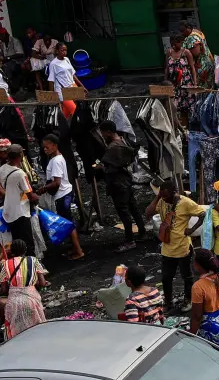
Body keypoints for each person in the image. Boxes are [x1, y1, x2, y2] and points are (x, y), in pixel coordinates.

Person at [146, 180, 207, 310]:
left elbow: (203, 214)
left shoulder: (186, 203)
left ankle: (188, 300)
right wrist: (158, 197)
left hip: (182, 248)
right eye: (163, 196)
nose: (165, 200)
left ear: (174, 193)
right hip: (167, 248)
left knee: (187, 276)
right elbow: (148, 213)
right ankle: (168, 301)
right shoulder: (162, 200)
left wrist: (191, 230)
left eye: (167, 197)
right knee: (166, 278)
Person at [94, 120, 145, 251]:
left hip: (118, 183)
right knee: (133, 207)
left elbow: (111, 168)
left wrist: (101, 168)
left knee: (124, 212)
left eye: (103, 132)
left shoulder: (113, 148)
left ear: (109, 132)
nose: (103, 135)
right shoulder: (123, 140)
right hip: (126, 181)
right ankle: (142, 232)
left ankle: (130, 241)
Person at [38, 133, 85, 259]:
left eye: (47, 147)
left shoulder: (56, 161)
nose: (45, 149)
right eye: (44, 147)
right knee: (68, 222)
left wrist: (42, 189)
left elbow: (56, 182)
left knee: (67, 224)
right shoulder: (58, 158)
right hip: (65, 193)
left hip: (63, 195)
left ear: (54, 146)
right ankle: (74, 248)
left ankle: (79, 251)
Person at [1, 239, 46, 338]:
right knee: (37, 329)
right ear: (25, 250)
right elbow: (42, 283)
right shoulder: (33, 260)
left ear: (12, 251)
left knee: (18, 334)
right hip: (32, 301)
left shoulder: (5, 265)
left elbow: (3, 290)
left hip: (13, 304)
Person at [0, 144, 36, 250]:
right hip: (21, 213)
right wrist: (37, 195)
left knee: (17, 243)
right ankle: (30, 263)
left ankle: (18, 262)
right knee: (28, 244)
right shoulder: (20, 174)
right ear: (20, 155)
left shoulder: (2, 169)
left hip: (9, 212)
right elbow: (30, 195)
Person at [164, 32, 196, 115]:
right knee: (176, 107)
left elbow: (192, 68)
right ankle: (179, 124)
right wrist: (165, 83)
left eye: (176, 43)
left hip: (186, 83)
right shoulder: (169, 53)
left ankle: (189, 124)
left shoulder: (186, 52)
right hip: (174, 84)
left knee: (189, 106)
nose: (174, 45)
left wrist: (195, 85)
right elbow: (167, 68)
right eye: (172, 43)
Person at [180, 21, 216, 91]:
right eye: (181, 31)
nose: (182, 33)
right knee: (210, 87)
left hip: (201, 66)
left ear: (189, 28)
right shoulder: (198, 32)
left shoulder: (191, 37)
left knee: (202, 89)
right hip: (208, 61)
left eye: (183, 30)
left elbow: (196, 53)